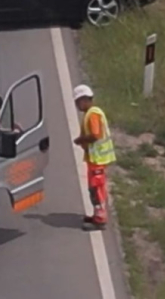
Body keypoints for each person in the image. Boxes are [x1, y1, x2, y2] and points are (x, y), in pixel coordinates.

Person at [72, 84, 116, 230]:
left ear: (84, 99)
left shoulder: (93, 114)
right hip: (94, 159)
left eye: (78, 102)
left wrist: (81, 140)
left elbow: (95, 135)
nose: (77, 105)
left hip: (98, 159)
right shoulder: (90, 114)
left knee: (96, 188)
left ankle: (100, 218)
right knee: (94, 187)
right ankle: (97, 214)